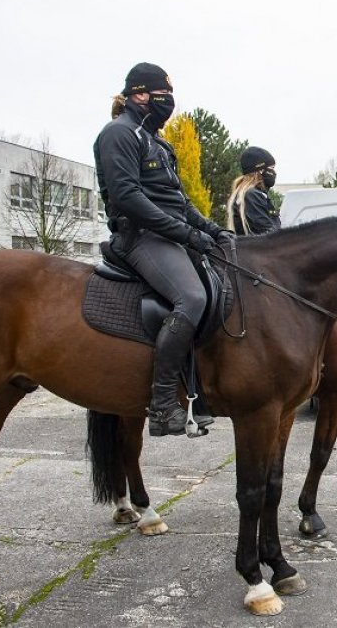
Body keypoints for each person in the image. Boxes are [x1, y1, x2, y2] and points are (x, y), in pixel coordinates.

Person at [94, 63, 231, 438]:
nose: (168, 102)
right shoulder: (119, 134)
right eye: (161, 95)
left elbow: (179, 201)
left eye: (170, 95)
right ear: (138, 94)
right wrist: (186, 234)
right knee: (191, 296)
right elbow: (128, 197)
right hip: (141, 237)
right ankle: (163, 405)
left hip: (168, 235)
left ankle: (197, 392)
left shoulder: (157, 140)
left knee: (221, 288)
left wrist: (212, 229)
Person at [227, 147, 281, 235]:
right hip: (257, 248)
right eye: (271, 168)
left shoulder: (253, 194)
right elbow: (269, 235)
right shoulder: (251, 195)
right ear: (260, 170)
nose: (274, 172)